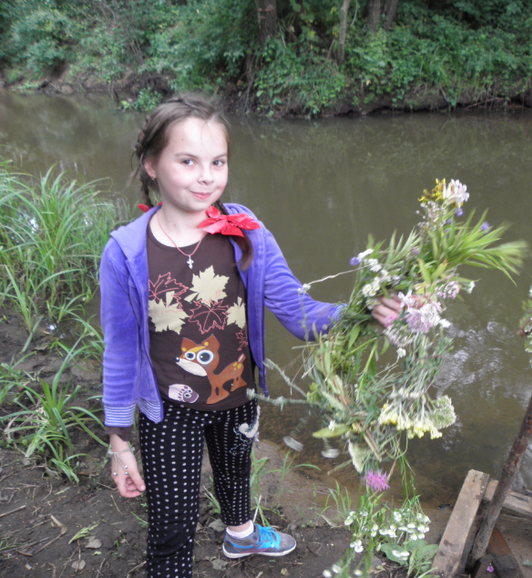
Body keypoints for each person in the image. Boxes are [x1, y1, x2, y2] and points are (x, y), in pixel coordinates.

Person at [101, 96, 401, 578]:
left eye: (218, 162)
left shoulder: (246, 232)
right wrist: (119, 442)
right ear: (152, 164)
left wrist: (363, 313)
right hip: (168, 409)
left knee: (236, 474)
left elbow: (299, 313)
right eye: (187, 161)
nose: (206, 177)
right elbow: (118, 353)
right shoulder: (125, 253)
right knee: (172, 525)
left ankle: (241, 535)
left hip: (238, 393)